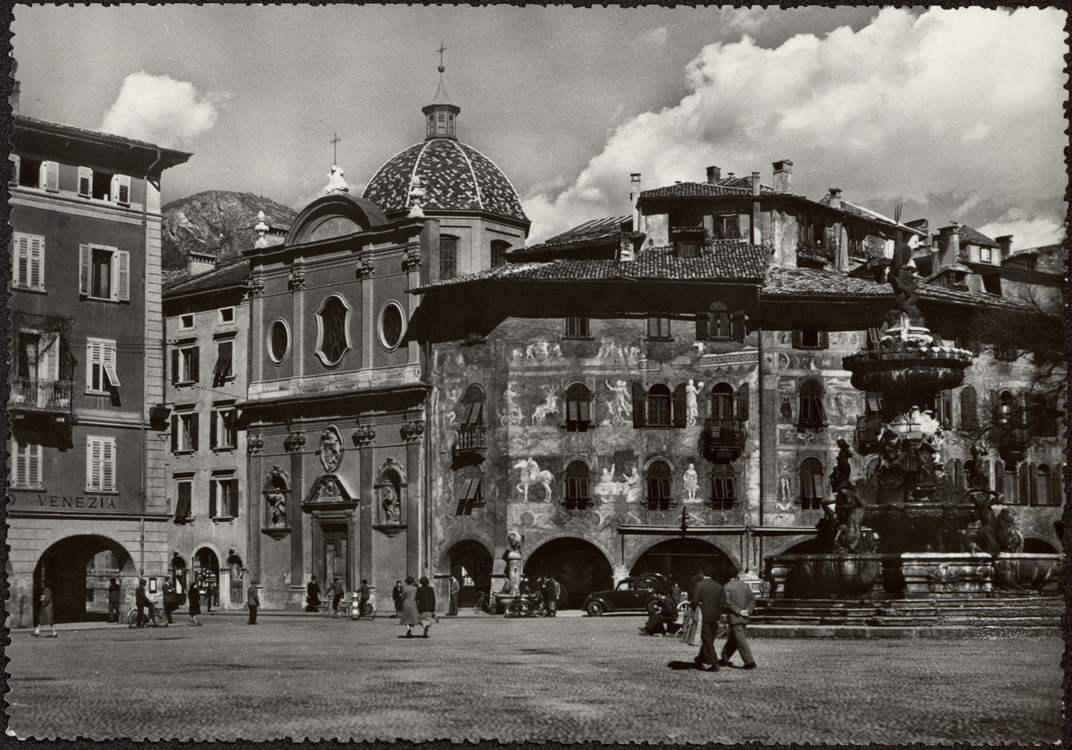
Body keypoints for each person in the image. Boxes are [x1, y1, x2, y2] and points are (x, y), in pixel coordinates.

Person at [689, 563, 726, 671]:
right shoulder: (719, 586)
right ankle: (700, 659)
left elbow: (695, 601)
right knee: (709, 638)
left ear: (702, 573)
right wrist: (718, 612)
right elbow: (722, 603)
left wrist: (693, 607)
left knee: (707, 639)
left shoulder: (699, 585)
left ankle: (714, 663)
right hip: (715, 615)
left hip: (704, 615)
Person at [720, 571, 757, 670]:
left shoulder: (727, 586)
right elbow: (752, 599)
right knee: (734, 638)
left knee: (740, 640)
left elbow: (728, 602)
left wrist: (739, 611)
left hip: (734, 616)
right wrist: (748, 610)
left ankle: (750, 662)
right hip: (744, 616)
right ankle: (724, 657)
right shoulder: (745, 586)